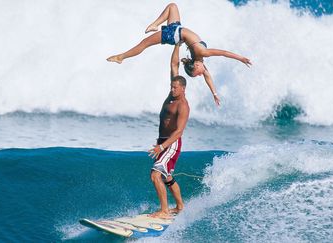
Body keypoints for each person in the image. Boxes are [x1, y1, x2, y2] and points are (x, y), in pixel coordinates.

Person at [107, 3, 252, 106]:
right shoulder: (201, 56)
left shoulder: (201, 55)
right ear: (197, 65)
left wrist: (240, 58)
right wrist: (214, 94)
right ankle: (154, 25)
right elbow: (214, 68)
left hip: (175, 35)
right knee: (173, 6)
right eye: (199, 74)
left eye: (197, 74)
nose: (202, 74)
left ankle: (121, 57)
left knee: (144, 43)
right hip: (177, 30)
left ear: (195, 65)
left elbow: (221, 57)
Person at [148, 44, 189, 219]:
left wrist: (161, 146)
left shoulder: (183, 105)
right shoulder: (171, 96)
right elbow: (174, 65)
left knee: (155, 175)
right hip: (162, 141)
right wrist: (178, 45)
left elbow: (179, 132)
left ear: (183, 89)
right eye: (171, 87)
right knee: (167, 177)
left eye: (175, 88)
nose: (172, 90)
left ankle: (164, 210)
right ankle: (180, 206)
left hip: (171, 143)